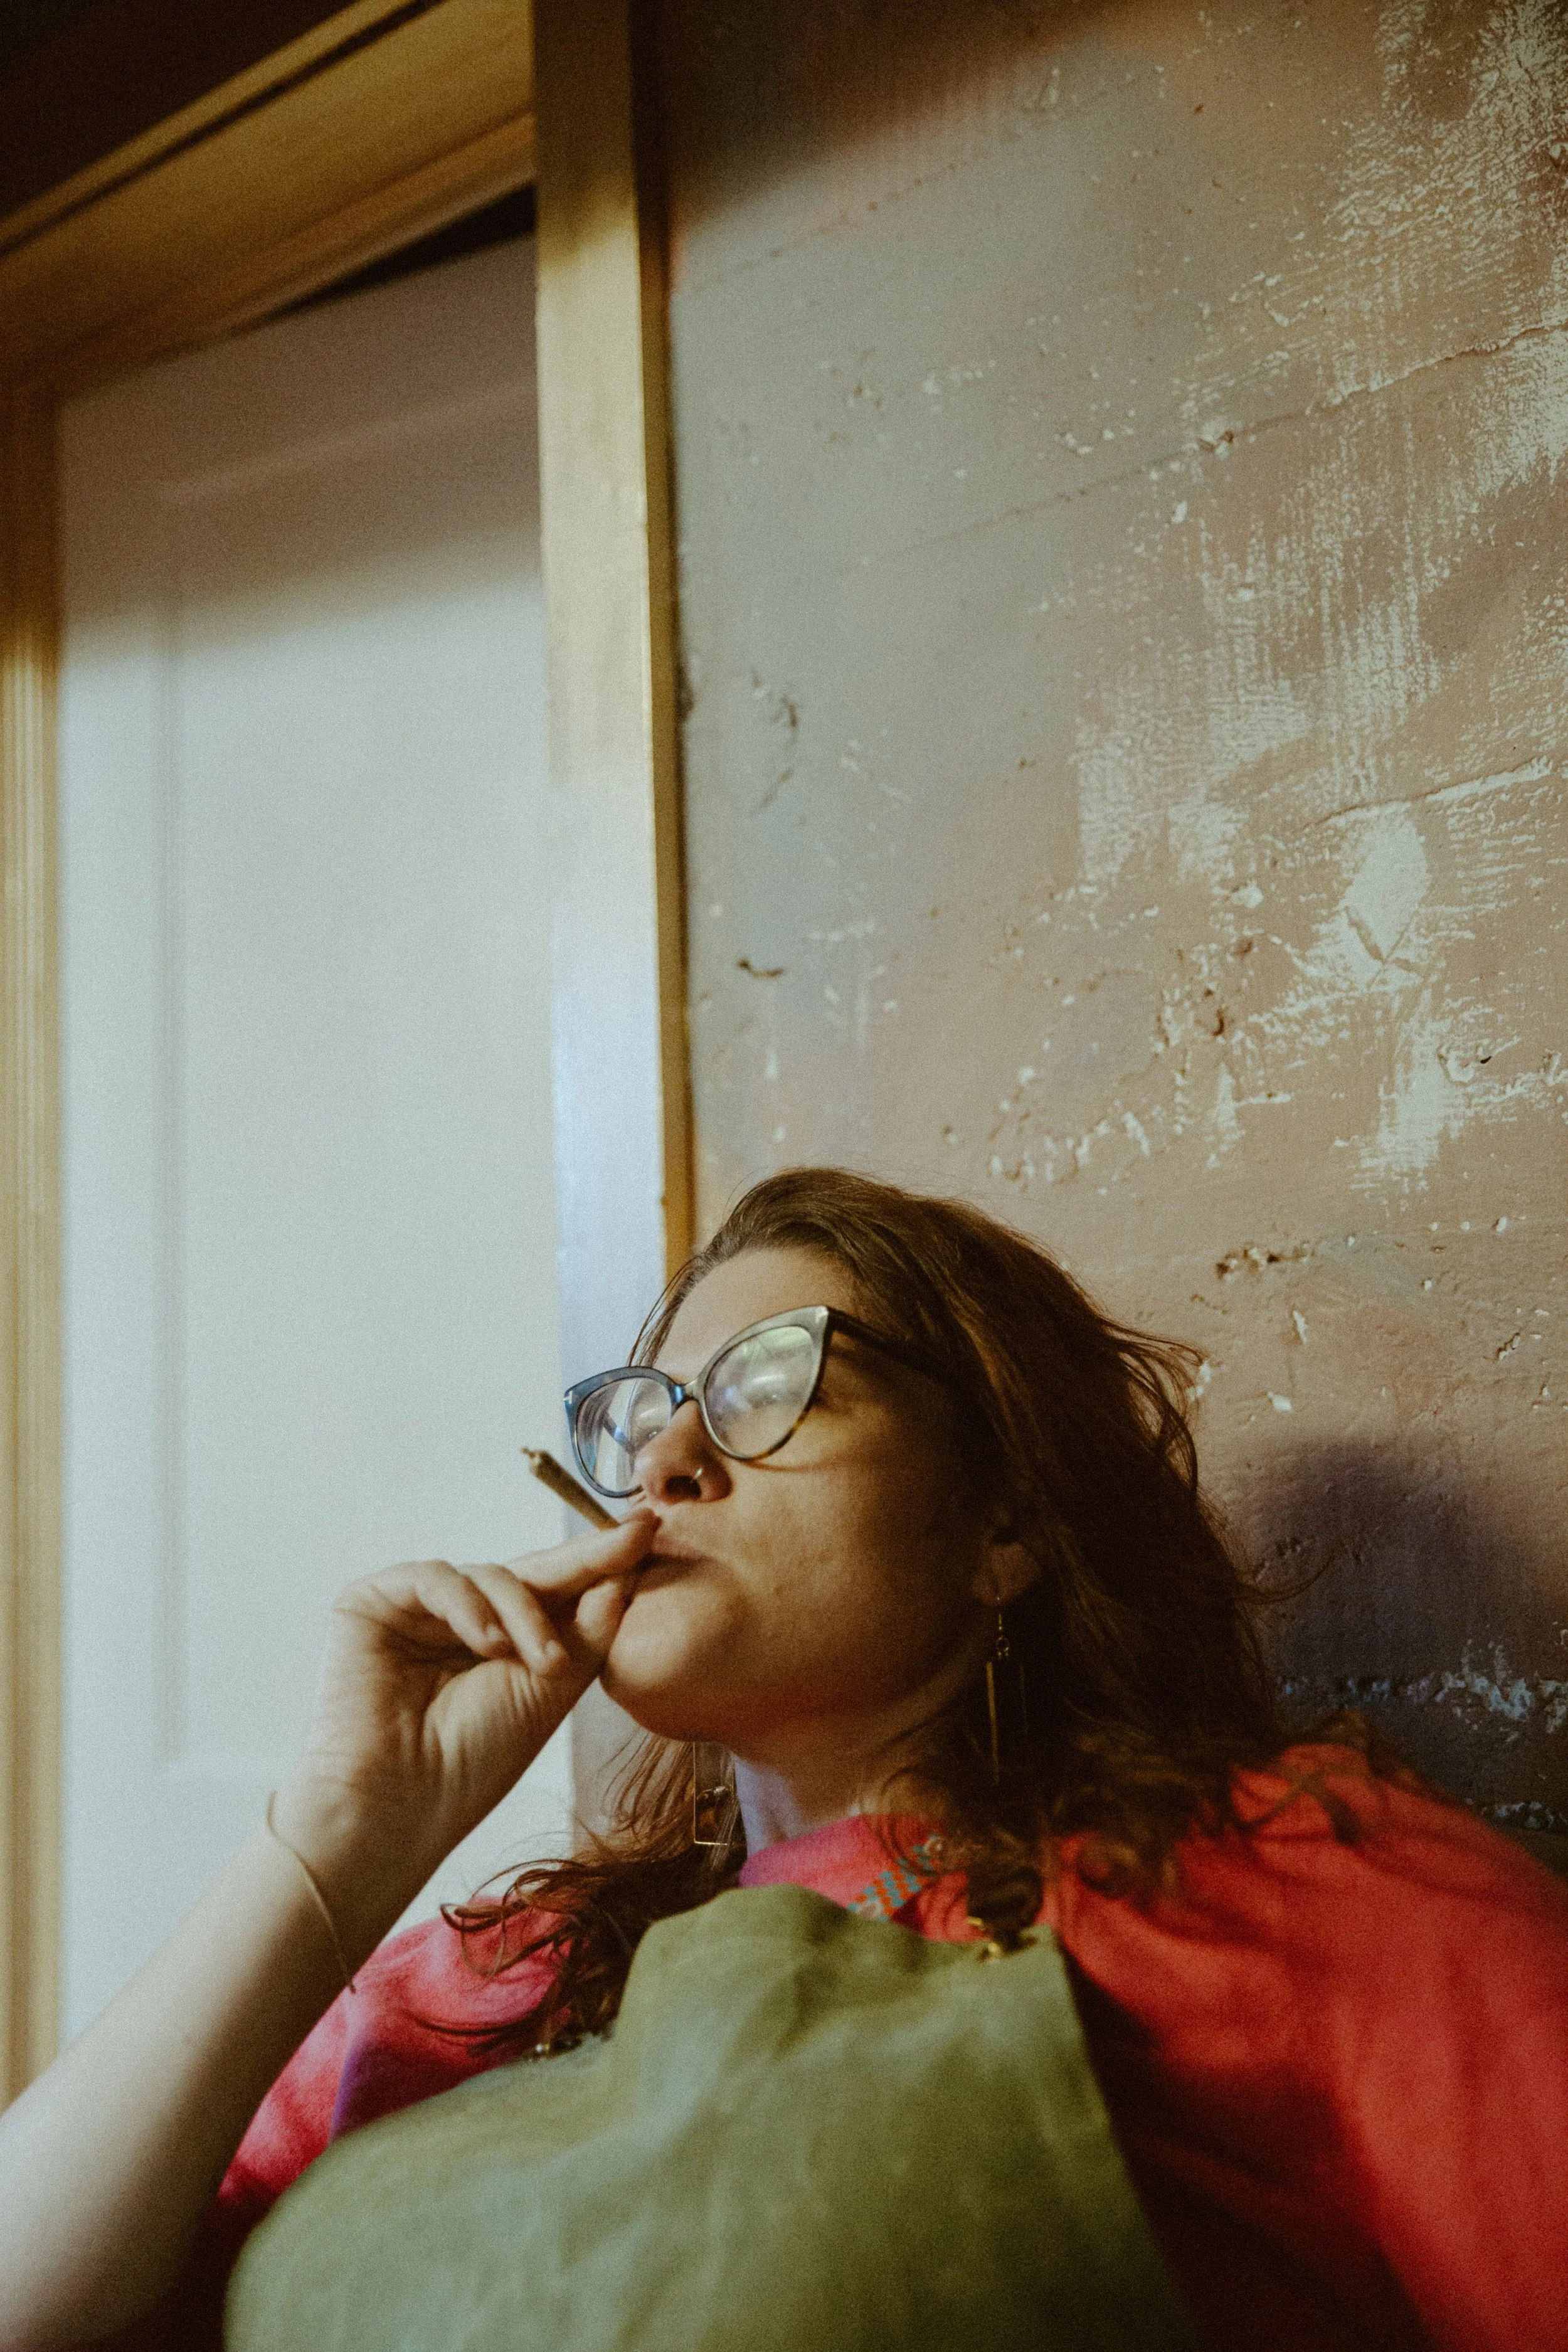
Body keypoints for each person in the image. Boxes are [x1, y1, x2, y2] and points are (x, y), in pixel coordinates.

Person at [1, 1168, 1564, 2351]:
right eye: (649, 1415)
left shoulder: (1292, 1880)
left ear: (1003, 1526)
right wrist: (337, 1841)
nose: (669, 1461)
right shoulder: (499, 1977)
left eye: (771, 1388)